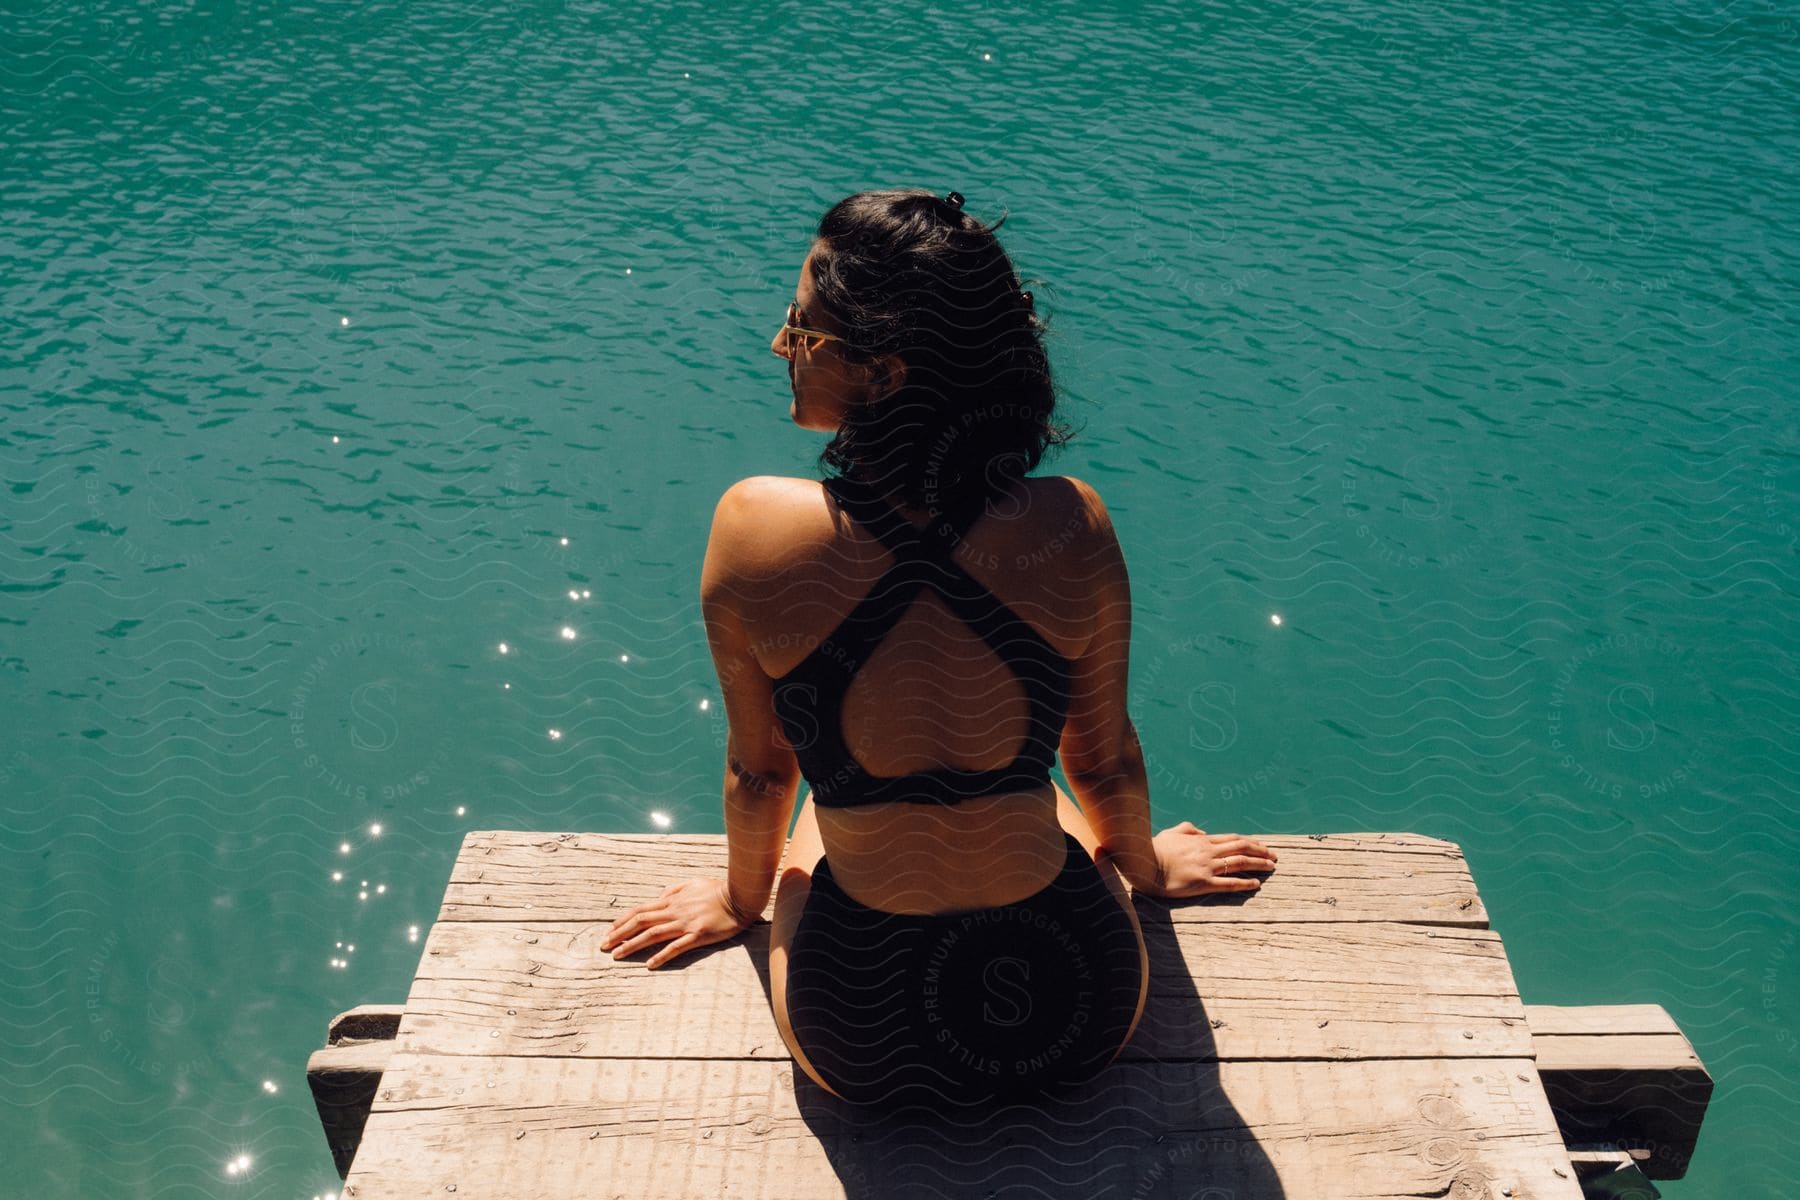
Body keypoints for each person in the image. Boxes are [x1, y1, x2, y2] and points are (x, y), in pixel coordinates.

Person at [599, 188, 1278, 1108]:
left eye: (803, 331)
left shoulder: (753, 523)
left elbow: (762, 774)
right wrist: (1149, 871)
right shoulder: (1073, 524)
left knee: (811, 817)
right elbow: (1105, 755)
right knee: (1030, 786)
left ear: (882, 375)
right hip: (1081, 1007)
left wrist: (736, 905)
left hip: (864, 1032)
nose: (780, 348)